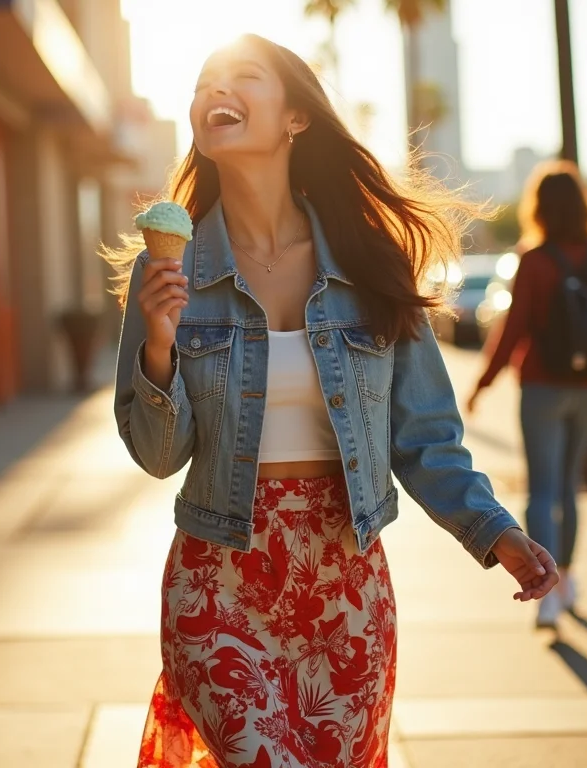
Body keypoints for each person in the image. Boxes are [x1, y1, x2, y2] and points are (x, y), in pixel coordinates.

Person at [111, 34, 558, 768]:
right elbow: (159, 457)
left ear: (296, 118)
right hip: (218, 584)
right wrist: (159, 344)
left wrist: (495, 533)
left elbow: (424, 437)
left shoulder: (370, 262)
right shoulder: (168, 274)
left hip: (344, 590)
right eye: (202, 83)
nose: (214, 92)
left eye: (242, 77)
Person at [468, 160, 587, 630]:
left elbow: (514, 329)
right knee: (569, 488)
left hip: (541, 386)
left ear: (540, 209)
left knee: (543, 487)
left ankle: (546, 594)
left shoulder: (535, 259)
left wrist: (482, 383)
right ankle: (567, 580)